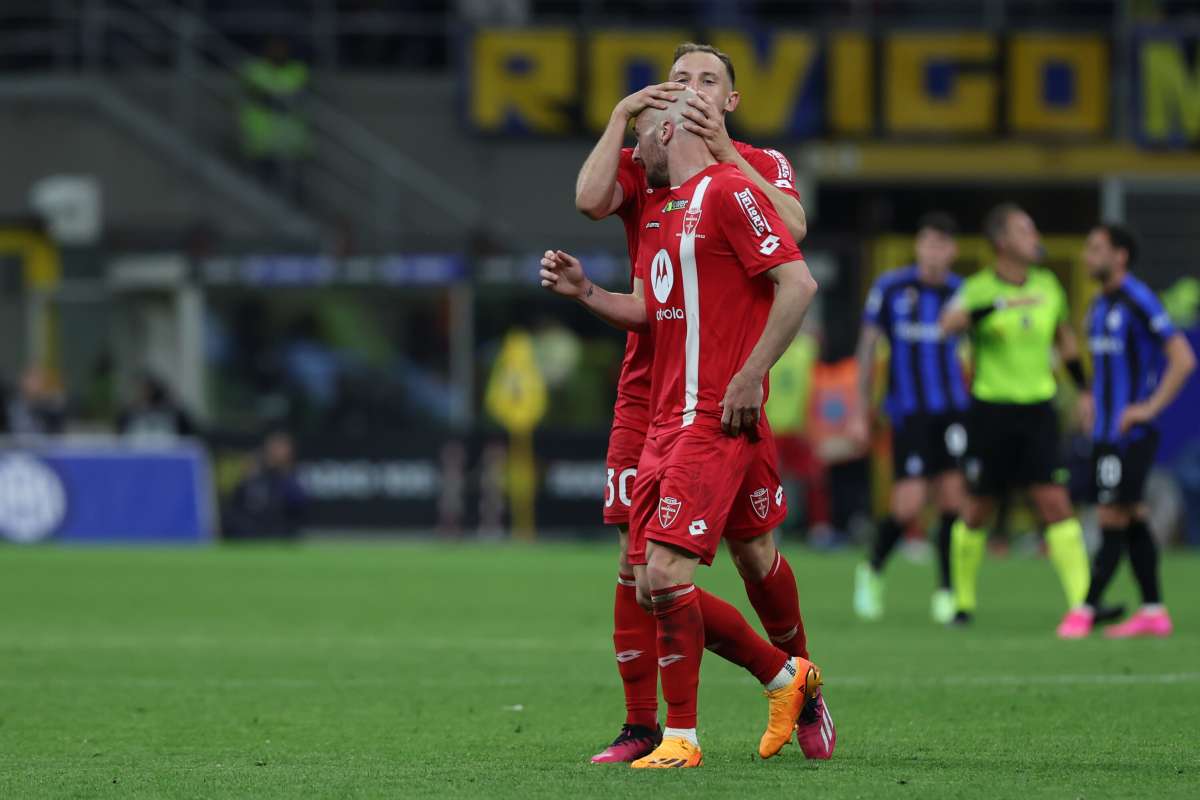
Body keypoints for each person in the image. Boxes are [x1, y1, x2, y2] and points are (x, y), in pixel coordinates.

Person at [541, 88, 823, 768]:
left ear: (674, 131)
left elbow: (799, 284)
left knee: (674, 573)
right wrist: (588, 294)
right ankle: (787, 679)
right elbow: (652, 307)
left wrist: (753, 374)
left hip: (712, 418)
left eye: (642, 139)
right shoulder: (665, 212)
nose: (635, 155)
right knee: (647, 580)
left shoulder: (732, 190)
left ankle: (685, 737)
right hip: (663, 419)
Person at [939, 204, 1092, 636]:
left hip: (1039, 411)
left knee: (1054, 502)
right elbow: (947, 324)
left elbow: (1065, 343)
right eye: (1025, 229)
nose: (1035, 235)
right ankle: (961, 602)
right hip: (991, 412)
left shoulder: (1048, 286)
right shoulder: (978, 288)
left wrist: (1084, 391)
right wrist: (992, 307)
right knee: (978, 507)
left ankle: (1083, 604)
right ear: (1002, 241)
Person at [1071, 224, 1196, 638]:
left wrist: (1149, 408)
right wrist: (1089, 398)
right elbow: (1105, 370)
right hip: (1105, 433)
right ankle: (1153, 611)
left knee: (1111, 515)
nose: (1088, 257)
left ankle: (1085, 611)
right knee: (1133, 515)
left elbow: (1183, 358)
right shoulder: (1097, 306)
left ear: (1120, 256)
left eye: (1096, 249)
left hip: (1131, 436)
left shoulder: (1139, 299)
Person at [849, 213, 969, 623]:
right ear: (919, 246)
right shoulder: (891, 288)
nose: (934, 253)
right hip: (909, 411)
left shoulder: (961, 293)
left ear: (952, 251)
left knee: (954, 499)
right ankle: (872, 571)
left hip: (952, 411)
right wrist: (860, 410)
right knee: (909, 504)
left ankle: (947, 591)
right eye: (928, 243)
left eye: (942, 245)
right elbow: (867, 349)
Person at [223, 432, 307, 540]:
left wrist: (283, 473)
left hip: (280, 531)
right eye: (273, 448)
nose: (276, 453)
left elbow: (299, 503)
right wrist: (248, 478)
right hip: (251, 531)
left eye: (280, 449)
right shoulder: (256, 473)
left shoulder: (290, 475)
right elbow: (237, 504)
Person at [117, 375, 195, 440]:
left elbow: (189, 433)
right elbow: (121, 434)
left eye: (145, 390)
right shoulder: (130, 413)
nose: (140, 394)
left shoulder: (173, 412)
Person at [2, 366, 66, 436]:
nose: (35, 384)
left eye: (38, 380)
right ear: (23, 381)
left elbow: (57, 434)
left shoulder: (49, 408)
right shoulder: (9, 406)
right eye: (32, 379)